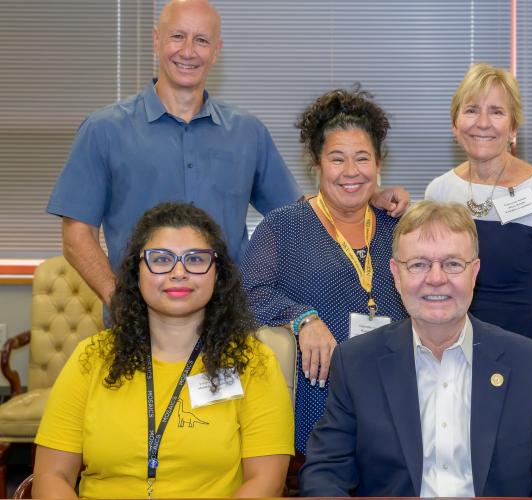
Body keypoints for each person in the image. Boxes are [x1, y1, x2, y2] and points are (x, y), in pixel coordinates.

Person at [45, 0, 407, 306]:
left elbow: (302, 213)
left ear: (216, 51)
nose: (188, 51)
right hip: (139, 324)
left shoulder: (247, 133)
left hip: (228, 322)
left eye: (201, 40)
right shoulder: (103, 130)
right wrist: (120, 302)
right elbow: (77, 237)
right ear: (156, 41)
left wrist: (363, 195)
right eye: (177, 37)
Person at [299, 200, 532, 497]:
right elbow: (325, 472)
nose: (436, 279)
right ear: (396, 275)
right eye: (419, 265)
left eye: (452, 264)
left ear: (474, 272)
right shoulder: (355, 363)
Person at [33, 202, 294, 498]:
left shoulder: (253, 363)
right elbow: (52, 476)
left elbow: (265, 483)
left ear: (217, 274)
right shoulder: (91, 357)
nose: (178, 272)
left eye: (195, 259)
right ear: (137, 272)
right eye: (161, 259)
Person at [240, 87, 407, 454]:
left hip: (398, 400)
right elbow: (249, 294)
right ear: (315, 164)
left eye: (362, 158)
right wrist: (302, 318)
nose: (351, 172)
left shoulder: (400, 227)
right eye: (337, 159)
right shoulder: (282, 227)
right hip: (321, 398)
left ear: (379, 164)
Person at [425, 63, 532, 355]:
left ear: (513, 128)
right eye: (471, 110)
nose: (483, 122)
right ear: (455, 124)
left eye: (496, 112)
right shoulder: (439, 192)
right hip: (450, 354)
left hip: (525, 354)